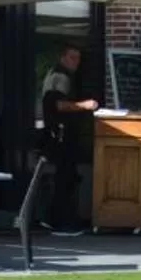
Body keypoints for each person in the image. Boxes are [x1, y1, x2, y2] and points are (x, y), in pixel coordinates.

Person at [38, 45, 98, 234]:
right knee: (64, 176)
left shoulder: (55, 74)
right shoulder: (61, 77)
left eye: (78, 59)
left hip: (59, 134)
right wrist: (85, 105)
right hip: (61, 135)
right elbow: (59, 105)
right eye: (72, 58)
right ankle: (61, 222)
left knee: (66, 176)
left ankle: (52, 218)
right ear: (63, 58)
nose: (76, 62)